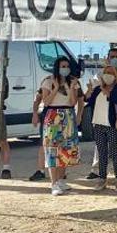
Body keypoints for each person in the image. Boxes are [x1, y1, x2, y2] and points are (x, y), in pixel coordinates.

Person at [89, 46, 117, 180]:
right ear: (107, 58)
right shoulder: (100, 73)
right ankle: (96, 169)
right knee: (100, 144)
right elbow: (94, 89)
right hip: (102, 113)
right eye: (112, 56)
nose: (114, 59)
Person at [39, 57, 82, 196]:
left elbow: (73, 101)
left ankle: (61, 180)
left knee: (67, 149)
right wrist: (56, 87)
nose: (65, 68)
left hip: (68, 115)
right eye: (62, 66)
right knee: (52, 149)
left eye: (67, 66)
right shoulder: (48, 81)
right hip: (53, 115)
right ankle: (53, 183)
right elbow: (46, 101)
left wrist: (70, 87)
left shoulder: (73, 82)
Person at [85, 65, 117, 191]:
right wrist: (89, 91)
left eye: (111, 73)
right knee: (102, 153)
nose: (108, 75)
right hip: (98, 125)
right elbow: (88, 101)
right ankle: (102, 179)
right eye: (106, 73)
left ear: (116, 76)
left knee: (115, 153)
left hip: (113, 126)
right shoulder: (98, 89)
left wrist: (108, 92)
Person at [27, 88, 47, 181]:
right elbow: (37, 98)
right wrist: (35, 113)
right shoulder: (47, 81)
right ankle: (41, 170)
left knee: (61, 145)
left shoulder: (70, 81)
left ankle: (60, 172)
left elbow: (79, 98)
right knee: (43, 144)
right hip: (48, 114)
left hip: (64, 114)